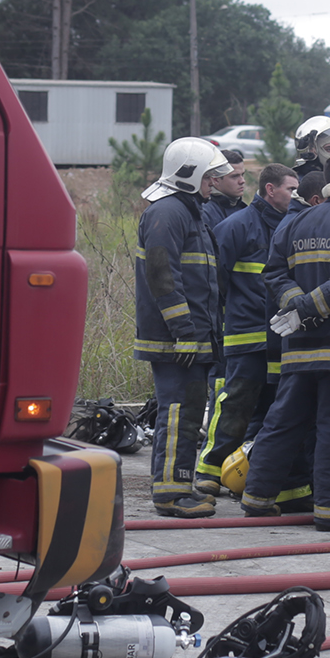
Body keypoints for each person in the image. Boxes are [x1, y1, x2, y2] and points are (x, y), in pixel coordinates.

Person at [243, 154, 330, 531]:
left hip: (299, 347)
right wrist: (310, 307)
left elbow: (273, 273)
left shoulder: (295, 221)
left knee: (284, 421)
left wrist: (297, 307)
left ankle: (257, 498)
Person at [133, 137, 230, 517]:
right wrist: (183, 332)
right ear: (188, 175)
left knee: (188, 414)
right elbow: (162, 274)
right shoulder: (169, 213)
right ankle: (171, 495)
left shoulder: (189, 213)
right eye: (207, 177)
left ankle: (179, 486)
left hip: (191, 338)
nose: (212, 184)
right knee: (177, 414)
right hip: (176, 341)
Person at [195, 163, 297, 497]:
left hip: (280, 338)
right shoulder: (236, 226)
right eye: (290, 189)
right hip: (246, 336)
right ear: (270, 189)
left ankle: (246, 473)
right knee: (235, 404)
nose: (295, 195)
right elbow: (215, 281)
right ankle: (210, 469)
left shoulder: (291, 226)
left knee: (271, 410)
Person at [203, 148, 248, 232]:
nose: (242, 181)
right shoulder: (205, 213)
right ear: (216, 180)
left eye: (242, 175)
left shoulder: (243, 208)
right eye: (235, 176)